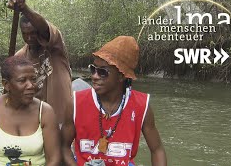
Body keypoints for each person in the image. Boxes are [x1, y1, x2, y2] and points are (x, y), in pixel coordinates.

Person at [62, 36, 167, 166]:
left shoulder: (141, 106)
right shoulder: (75, 104)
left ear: (121, 76)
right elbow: (63, 147)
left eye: (102, 72)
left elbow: (157, 150)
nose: (94, 76)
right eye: (93, 69)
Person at [0, 56, 61, 166]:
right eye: (22, 80)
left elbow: (54, 159)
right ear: (6, 84)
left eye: (33, 79)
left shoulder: (45, 111)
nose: (31, 85)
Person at [7, 0, 72, 126]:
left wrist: (24, 8)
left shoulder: (55, 46)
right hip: (36, 121)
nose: (29, 38)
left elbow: (43, 27)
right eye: (25, 33)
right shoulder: (19, 57)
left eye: (33, 33)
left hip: (62, 120)